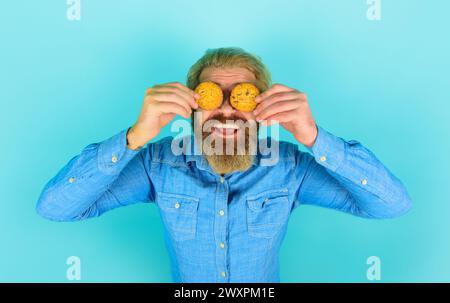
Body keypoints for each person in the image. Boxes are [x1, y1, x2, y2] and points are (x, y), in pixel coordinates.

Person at [36, 47, 412, 282]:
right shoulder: (157, 164)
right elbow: (56, 208)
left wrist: (314, 137)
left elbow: (392, 205)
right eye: (213, 96)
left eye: (242, 98)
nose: (229, 110)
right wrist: (135, 135)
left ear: (263, 108)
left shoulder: (290, 168)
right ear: (192, 105)